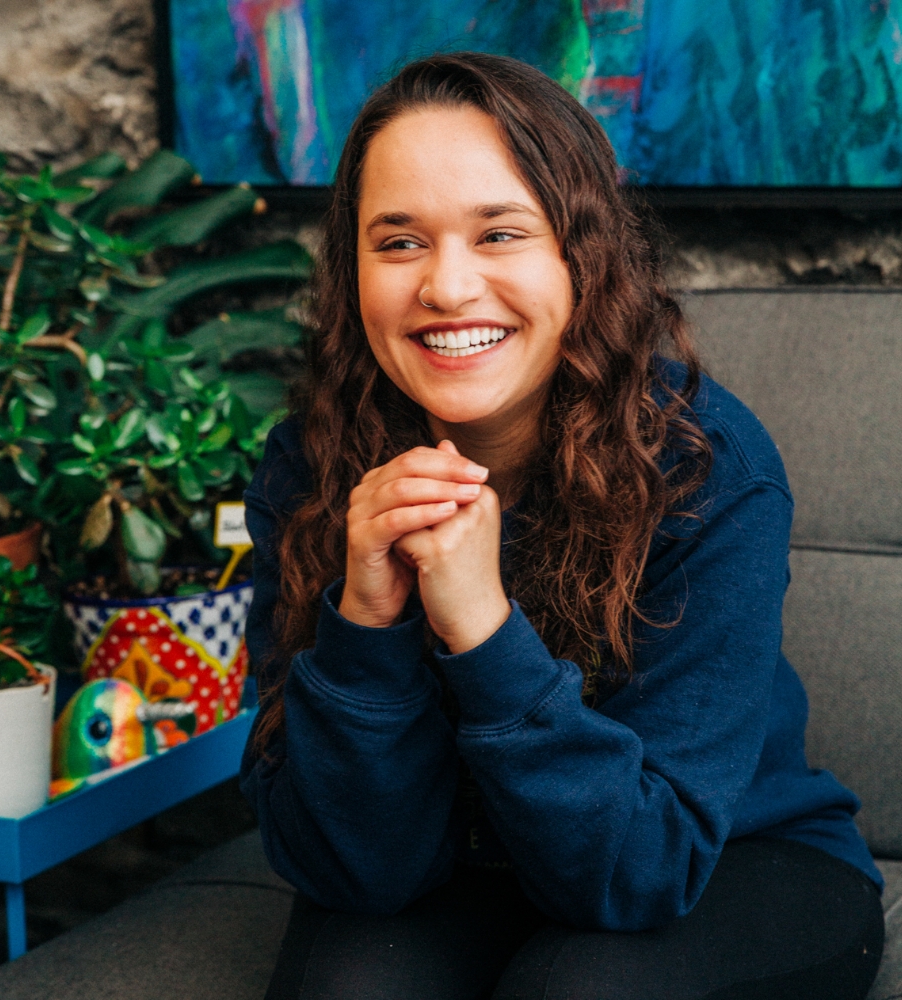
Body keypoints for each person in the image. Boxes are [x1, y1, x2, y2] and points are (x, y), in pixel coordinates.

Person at [239, 52, 884, 999]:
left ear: (579, 254)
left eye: (499, 233)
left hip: (723, 853)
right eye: (399, 242)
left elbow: (640, 869)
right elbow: (356, 875)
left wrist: (482, 629)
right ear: (353, 271)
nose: (448, 289)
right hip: (460, 865)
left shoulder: (707, 469)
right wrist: (365, 624)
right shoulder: (311, 467)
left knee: (580, 989)